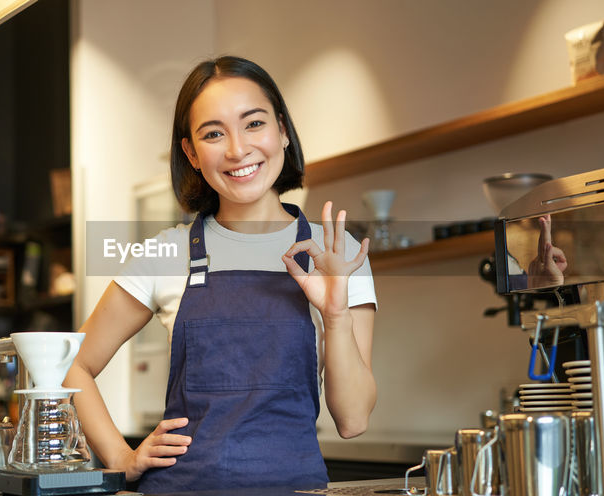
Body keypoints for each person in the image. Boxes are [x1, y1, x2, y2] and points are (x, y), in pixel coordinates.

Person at [63, 55, 378, 493]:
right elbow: (72, 364)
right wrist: (121, 458)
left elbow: (354, 419)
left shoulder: (337, 253)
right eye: (213, 133)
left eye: (253, 124)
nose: (237, 149)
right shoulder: (166, 253)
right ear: (191, 152)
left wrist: (337, 316)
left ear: (282, 130)